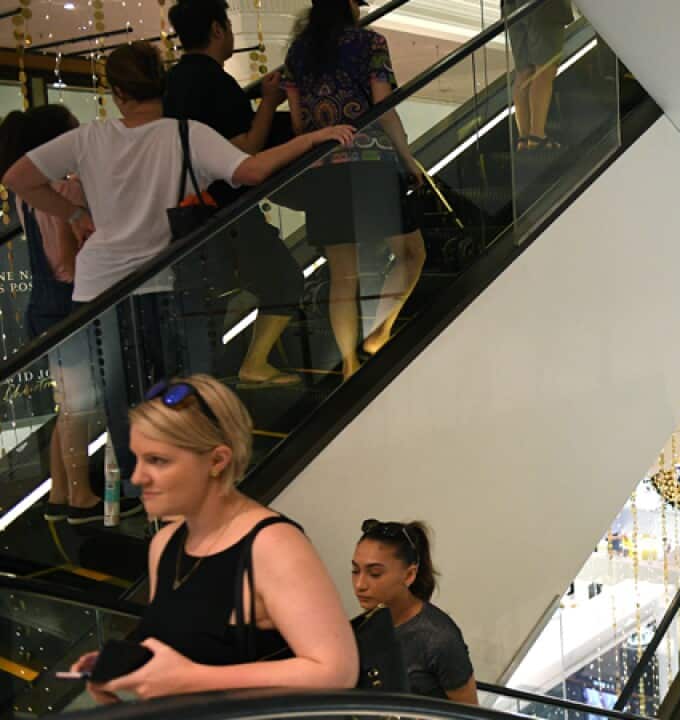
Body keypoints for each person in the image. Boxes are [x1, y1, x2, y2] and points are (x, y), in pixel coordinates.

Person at [3, 42, 355, 487]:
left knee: (119, 399)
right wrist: (309, 138)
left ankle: (144, 487)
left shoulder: (89, 138)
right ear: (162, 85)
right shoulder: (186, 134)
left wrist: (75, 215)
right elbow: (250, 171)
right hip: (167, 279)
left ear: (117, 92)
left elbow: (17, 178)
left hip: (99, 292)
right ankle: (187, 487)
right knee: (184, 390)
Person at [70, 374, 357, 701]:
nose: (137, 477)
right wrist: (121, 677)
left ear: (217, 460)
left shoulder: (273, 545)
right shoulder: (165, 545)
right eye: (137, 459)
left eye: (158, 461)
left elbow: (336, 670)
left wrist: (193, 678)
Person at [282, 0, 427, 379]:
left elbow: (298, 125)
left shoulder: (298, 53)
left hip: (323, 170)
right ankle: (379, 335)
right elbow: (383, 107)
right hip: (371, 167)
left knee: (342, 274)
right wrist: (408, 159)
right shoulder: (371, 43)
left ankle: (348, 368)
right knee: (412, 253)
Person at [165, 0, 305, 388]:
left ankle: (199, 389)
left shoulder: (173, 83)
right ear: (216, 29)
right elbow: (244, 153)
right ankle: (253, 364)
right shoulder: (215, 81)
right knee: (285, 280)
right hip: (227, 210)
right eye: (227, 24)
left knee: (209, 306)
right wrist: (270, 103)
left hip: (189, 213)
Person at [0, 106, 106, 524]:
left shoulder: (27, 193)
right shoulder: (66, 190)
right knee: (79, 405)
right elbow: (65, 258)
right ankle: (78, 496)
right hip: (68, 300)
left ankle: (62, 492)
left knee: (68, 404)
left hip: (42, 305)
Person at [351, 518, 478, 703]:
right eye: (355, 571)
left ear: (409, 575)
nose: (360, 585)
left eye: (375, 574)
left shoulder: (439, 639)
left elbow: (469, 712)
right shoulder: (363, 626)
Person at [502, 0, 571, 151]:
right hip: (543, 7)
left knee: (523, 72)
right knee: (544, 70)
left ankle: (524, 137)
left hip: (511, 5)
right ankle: (537, 135)